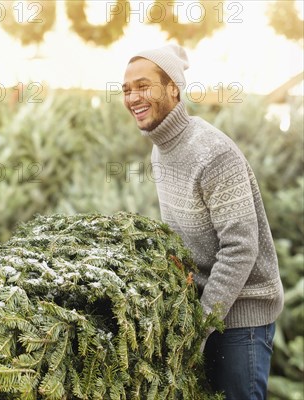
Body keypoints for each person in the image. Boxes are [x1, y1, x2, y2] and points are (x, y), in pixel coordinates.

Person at [122, 44, 283, 399]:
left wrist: (200, 323)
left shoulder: (212, 152)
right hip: (204, 311)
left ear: (173, 89)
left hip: (241, 319)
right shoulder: (162, 148)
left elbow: (240, 248)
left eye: (143, 86)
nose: (133, 96)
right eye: (127, 89)